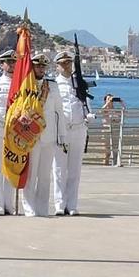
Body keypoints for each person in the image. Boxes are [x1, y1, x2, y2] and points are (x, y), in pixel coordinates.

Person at [49, 51, 93, 216]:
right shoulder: (53, 85)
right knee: (59, 169)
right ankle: (60, 204)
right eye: (63, 63)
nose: (66, 66)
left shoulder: (79, 83)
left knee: (75, 169)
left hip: (78, 129)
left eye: (68, 63)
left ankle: (72, 204)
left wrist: (89, 115)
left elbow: (86, 101)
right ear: (57, 66)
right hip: (61, 131)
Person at [18, 54, 58, 217]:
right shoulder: (26, 86)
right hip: (31, 136)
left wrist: (60, 135)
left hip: (48, 136)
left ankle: (42, 208)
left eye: (43, 66)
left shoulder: (52, 87)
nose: (41, 69)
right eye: (37, 66)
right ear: (32, 67)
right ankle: (29, 208)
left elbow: (58, 112)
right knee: (31, 175)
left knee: (44, 176)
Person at [0, 63, 18, 216]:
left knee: (12, 168)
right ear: (2, 65)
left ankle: (9, 203)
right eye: (9, 63)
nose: (12, 66)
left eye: (14, 63)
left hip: (15, 131)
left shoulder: (20, 84)